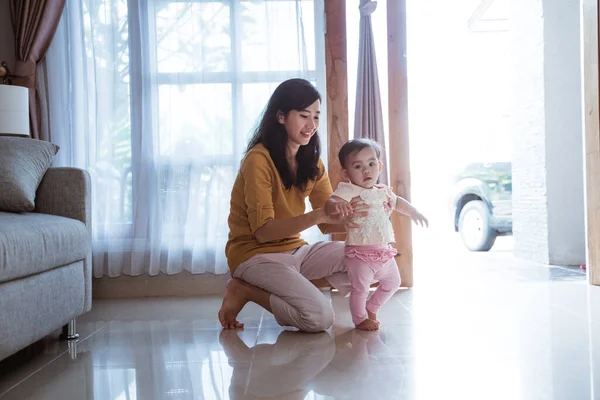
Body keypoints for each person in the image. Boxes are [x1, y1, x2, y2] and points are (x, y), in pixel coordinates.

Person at [218, 78, 368, 332]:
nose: (311, 125)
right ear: (281, 116)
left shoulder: (311, 161)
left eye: (316, 117)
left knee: (365, 256)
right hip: (254, 255)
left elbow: (327, 215)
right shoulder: (258, 160)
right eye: (303, 115)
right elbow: (263, 231)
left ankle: (296, 289)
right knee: (320, 319)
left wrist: (356, 212)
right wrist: (320, 214)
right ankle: (245, 290)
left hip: (295, 250)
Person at [324, 138, 428, 331]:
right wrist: (336, 205)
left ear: (379, 166)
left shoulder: (383, 191)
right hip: (360, 255)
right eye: (358, 166)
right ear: (346, 173)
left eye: (371, 164)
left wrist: (413, 212)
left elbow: (398, 203)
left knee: (394, 282)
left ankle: (372, 307)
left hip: (383, 251)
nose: (367, 170)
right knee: (360, 289)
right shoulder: (348, 190)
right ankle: (360, 319)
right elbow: (330, 203)